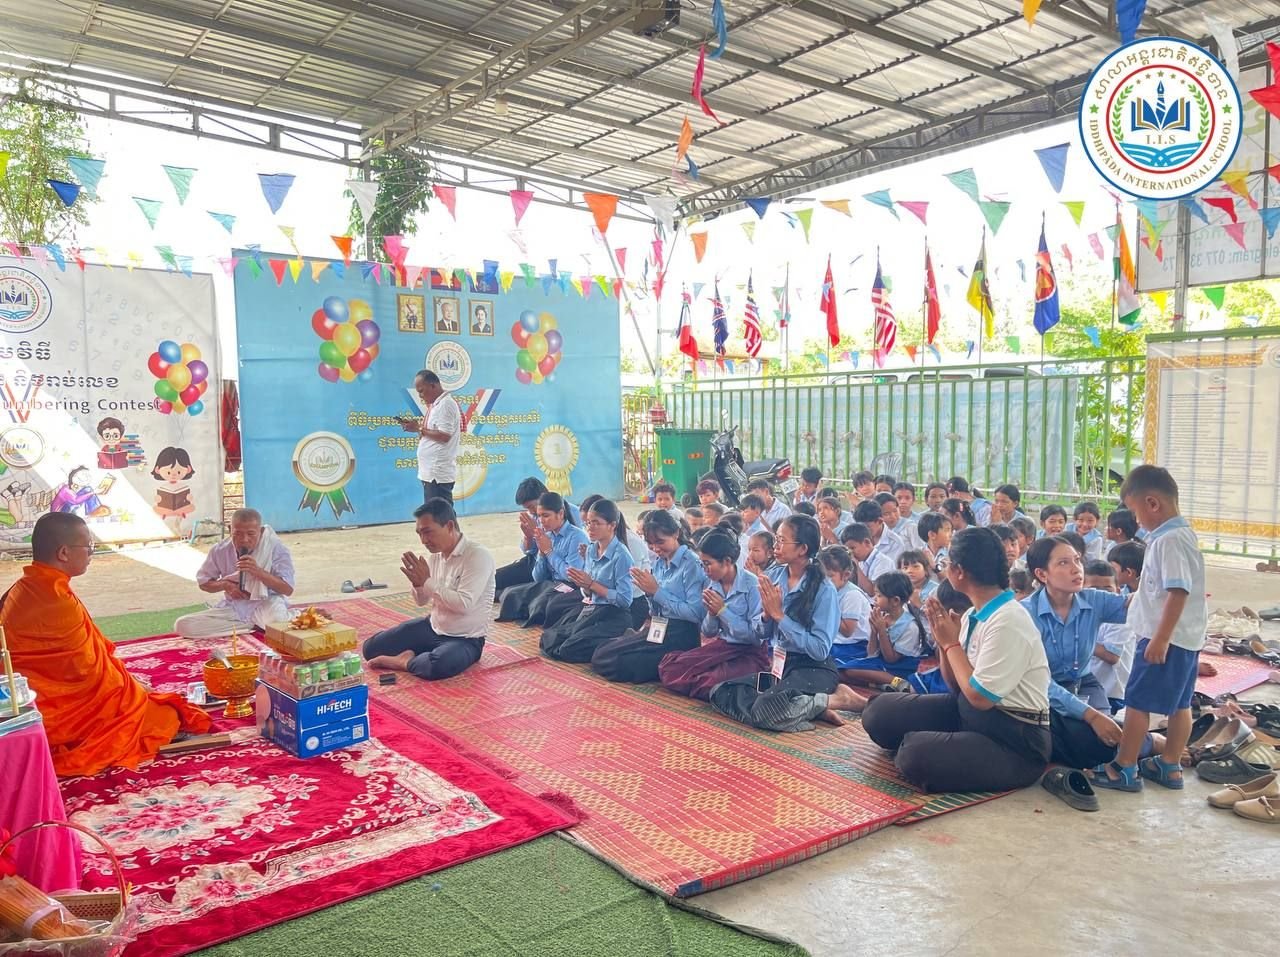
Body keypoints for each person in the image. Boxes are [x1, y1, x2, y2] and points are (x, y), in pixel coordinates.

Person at [3, 513, 210, 776]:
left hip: (30, 705)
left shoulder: (25, 587)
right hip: (60, 716)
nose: (92, 552)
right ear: (64, 553)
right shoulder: (55, 600)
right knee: (166, 717)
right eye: (87, 546)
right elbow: (87, 676)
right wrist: (131, 689)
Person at [862, 527, 1052, 793]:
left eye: (948, 563)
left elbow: (980, 698)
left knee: (913, 754)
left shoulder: (1009, 620)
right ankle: (950, 744)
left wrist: (951, 643)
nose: (946, 569)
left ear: (959, 572)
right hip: (968, 714)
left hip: (1015, 740)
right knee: (879, 712)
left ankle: (945, 748)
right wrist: (943, 642)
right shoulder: (975, 612)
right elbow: (955, 686)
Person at [1094, 466, 1207, 792]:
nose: (1135, 519)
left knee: (1137, 703)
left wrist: (1160, 638)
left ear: (1152, 503)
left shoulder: (1168, 541)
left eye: (1134, 511)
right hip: (1185, 637)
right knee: (1180, 704)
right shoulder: (1180, 535)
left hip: (1163, 640)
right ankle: (1169, 765)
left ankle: (1124, 767)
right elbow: (1163, 587)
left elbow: (1178, 591)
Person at [708, 515, 865, 731]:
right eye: (776, 539)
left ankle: (837, 699)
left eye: (782, 541)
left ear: (802, 549)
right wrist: (766, 615)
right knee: (721, 691)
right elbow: (761, 633)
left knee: (763, 712)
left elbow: (819, 649)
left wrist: (781, 616)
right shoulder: (773, 576)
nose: (775, 546)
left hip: (813, 668)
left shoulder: (823, 589)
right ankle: (809, 707)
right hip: (782, 664)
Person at [1021, 535, 1139, 773]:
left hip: (1084, 684)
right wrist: (1090, 715)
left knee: (1103, 740)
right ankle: (1148, 742)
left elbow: (1137, 606)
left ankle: (1145, 742)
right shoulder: (1025, 614)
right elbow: (1038, 681)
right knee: (1084, 736)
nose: (1077, 569)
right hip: (1040, 691)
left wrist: (1159, 580)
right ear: (1042, 575)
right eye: (1064, 563)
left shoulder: (1093, 600)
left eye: (1077, 560)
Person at [364, 500, 496, 679]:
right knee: (370, 648)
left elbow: (464, 604)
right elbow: (421, 601)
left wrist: (426, 582)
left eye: (428, 532)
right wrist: (418, 584)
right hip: (432, 628)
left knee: (439, 664)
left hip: (465, 639)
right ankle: (420, 656)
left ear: (449, 526)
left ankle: (406, 661)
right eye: (419, 533)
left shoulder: (477, 556)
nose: (424, 540)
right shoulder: (435, 557)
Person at [591, 510, 707, 683]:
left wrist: (657, 592)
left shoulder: (691, 564)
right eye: (651, 544)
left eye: (660, 542)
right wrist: (649, 594)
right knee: (602, 652)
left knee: (620, 663)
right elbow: (655, 610)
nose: (655, 549)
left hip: (681, 634)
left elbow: (696, 614)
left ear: (676, 533)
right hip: (659, 627)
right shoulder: (660, 562)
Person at [659, 530, 769, 700]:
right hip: (723, 646)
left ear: (727, 561)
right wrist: (711, 614)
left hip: (749, 652)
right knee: (670, 667)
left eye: (708, 564)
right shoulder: (712, 586)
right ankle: (719, 682)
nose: (705, 571)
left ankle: (722, 683)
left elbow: (756, 637)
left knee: (712, 683)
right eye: (702, 565)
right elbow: (708, 633)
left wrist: (723, 611)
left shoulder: (752, 586)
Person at [539, 499, 635, 662]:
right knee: (549, 639)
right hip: (594, 608)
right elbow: (588, 593)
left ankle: (622, 637)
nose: (590, 527)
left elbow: (625, 600)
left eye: (596, 523)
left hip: (615, 614)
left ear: (612, 525)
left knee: (569, 649)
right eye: (589, 523)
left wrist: (592, 584)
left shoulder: (622, 556)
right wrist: (584, 586)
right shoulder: (591, 549)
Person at [175, 508, 295, 638]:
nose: (244, 539)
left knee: (278, 622)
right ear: (229, 529)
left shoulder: (275, 548)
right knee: (183, 625)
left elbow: (287, 589)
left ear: (260, 531)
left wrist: (258, 572)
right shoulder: (219, 550)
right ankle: (254, 625)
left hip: (267, 604)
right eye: (238, 534)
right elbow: (204, 583)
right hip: (235, 607)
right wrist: (226, 585)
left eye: (251, 534)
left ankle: (284, 618)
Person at [495, 492, 587, 625]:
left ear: (560, 514)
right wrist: (541, 553)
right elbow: (538, 578)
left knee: (547, 604)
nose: (542, 521)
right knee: (511, 593)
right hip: (551, 584)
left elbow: (571, 576)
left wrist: (549, 552)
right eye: (539, 516)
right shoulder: (547, 535)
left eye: (546, 515)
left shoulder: (577, 537)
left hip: (571, 588)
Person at [837, 571, 928, 690]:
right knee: (838, 672)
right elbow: (871, 653)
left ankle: (898, 682)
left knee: (850, 670)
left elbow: (891, 659)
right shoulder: (883, 616)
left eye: (879, 596)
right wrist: (874, 631)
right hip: (882, 661)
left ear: (895, 601)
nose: (874, 599)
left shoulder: (910, 626)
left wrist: (881, 630)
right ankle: (880, 684)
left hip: (901, 666)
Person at [495, 477, 581, 593]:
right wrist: (528, 537)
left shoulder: (574, 515)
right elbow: (530, 552)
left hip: (557, 569)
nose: (531, 512)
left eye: (531, 506)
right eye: (527, 508)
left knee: (513, 593)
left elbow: (573, 566)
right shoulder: (534, 516)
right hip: (538, 563)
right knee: (494, 579)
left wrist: (540, 536)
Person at [401, 370, 460, 506]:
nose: (421, 396)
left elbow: (444, 436)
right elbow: (432, 435)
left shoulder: (445, 404)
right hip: (430, 473)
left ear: (433, 386)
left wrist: (419, 428)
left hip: (437, 474)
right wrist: (416, 429)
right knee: (439, 517)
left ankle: (454, 528)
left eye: (421, 391)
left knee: (441, 517)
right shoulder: (436, 405)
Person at [1084, 560, 1135, 714]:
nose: (1101, 595)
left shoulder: (1120, 619)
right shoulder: (1083, 613)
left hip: (1111, 692)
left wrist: (1076, 639)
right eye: (1094, 589)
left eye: (1107, 589)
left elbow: (1112, 656)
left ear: (1118, 591)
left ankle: (1155, 739)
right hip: (1089, 689)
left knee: (1109, 732)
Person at [820, 545, 873, 672]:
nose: (824, 581)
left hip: (854, 646)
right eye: (821, 576)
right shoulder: (826, 591)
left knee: (830, 666)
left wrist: (828, 608)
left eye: (830, 576)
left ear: (845, 575)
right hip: (835, 643)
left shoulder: (851, 595)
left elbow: (848, 631)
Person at [841, 523, 893, 595]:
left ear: (867, 542)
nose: (851, 552)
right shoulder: (861, 560)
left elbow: (872, 592)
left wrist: (856, 567)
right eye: (848, 549)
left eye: (853, 548)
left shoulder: (883, 562)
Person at [854, 496, 905, 562]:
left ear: (880, 521)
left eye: (867, 527)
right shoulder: (855, 537)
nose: (863, 531)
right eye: (860, 527)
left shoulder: (895, 543)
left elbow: (888, 570)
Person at [917, 511, 952, 576]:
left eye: (951, 530)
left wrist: (934, 566)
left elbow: (949, 579)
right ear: (932, 535)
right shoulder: (917, 555)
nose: (951, 534)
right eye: (947, 530)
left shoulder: (952, 554)